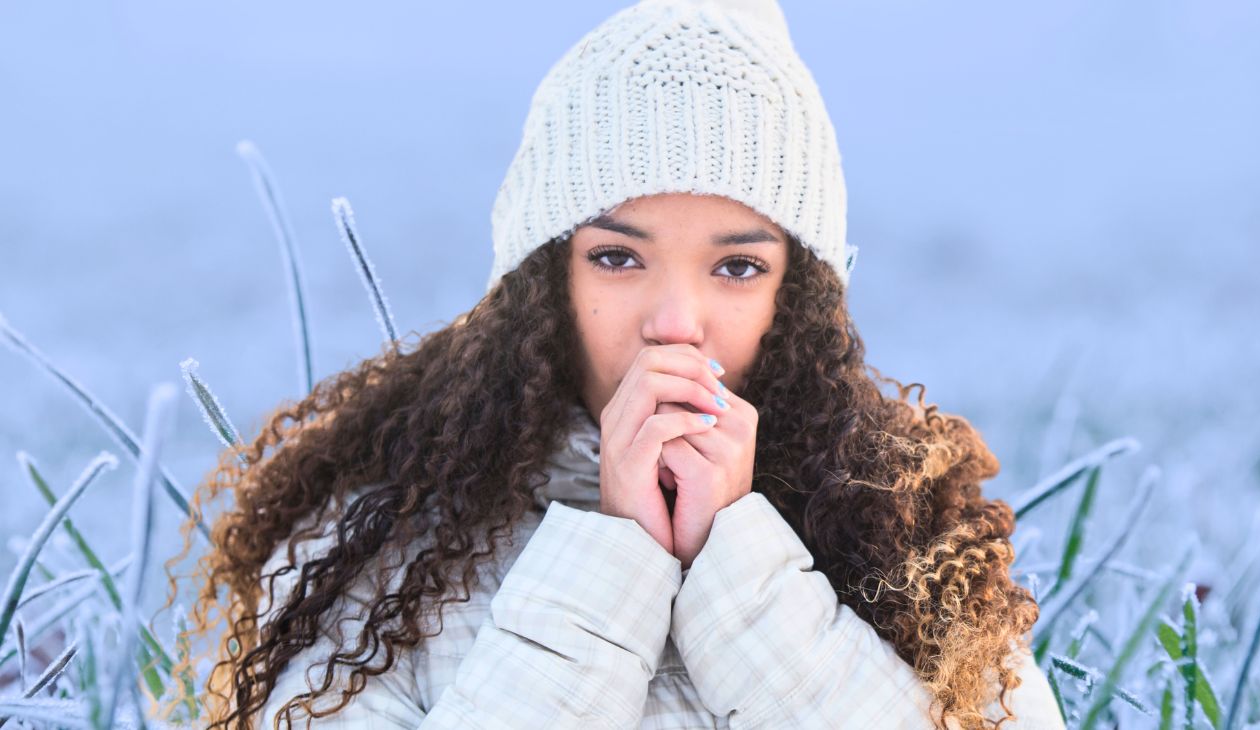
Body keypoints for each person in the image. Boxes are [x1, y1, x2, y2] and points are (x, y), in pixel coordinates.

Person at [161, 0, 1067, 728]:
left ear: (799, 299)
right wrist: (613, 561)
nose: (675, 324)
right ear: (542, 281)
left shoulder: (900, 536)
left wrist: (742, 573)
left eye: (737, 267)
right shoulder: (378, 545)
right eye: (618, 257)